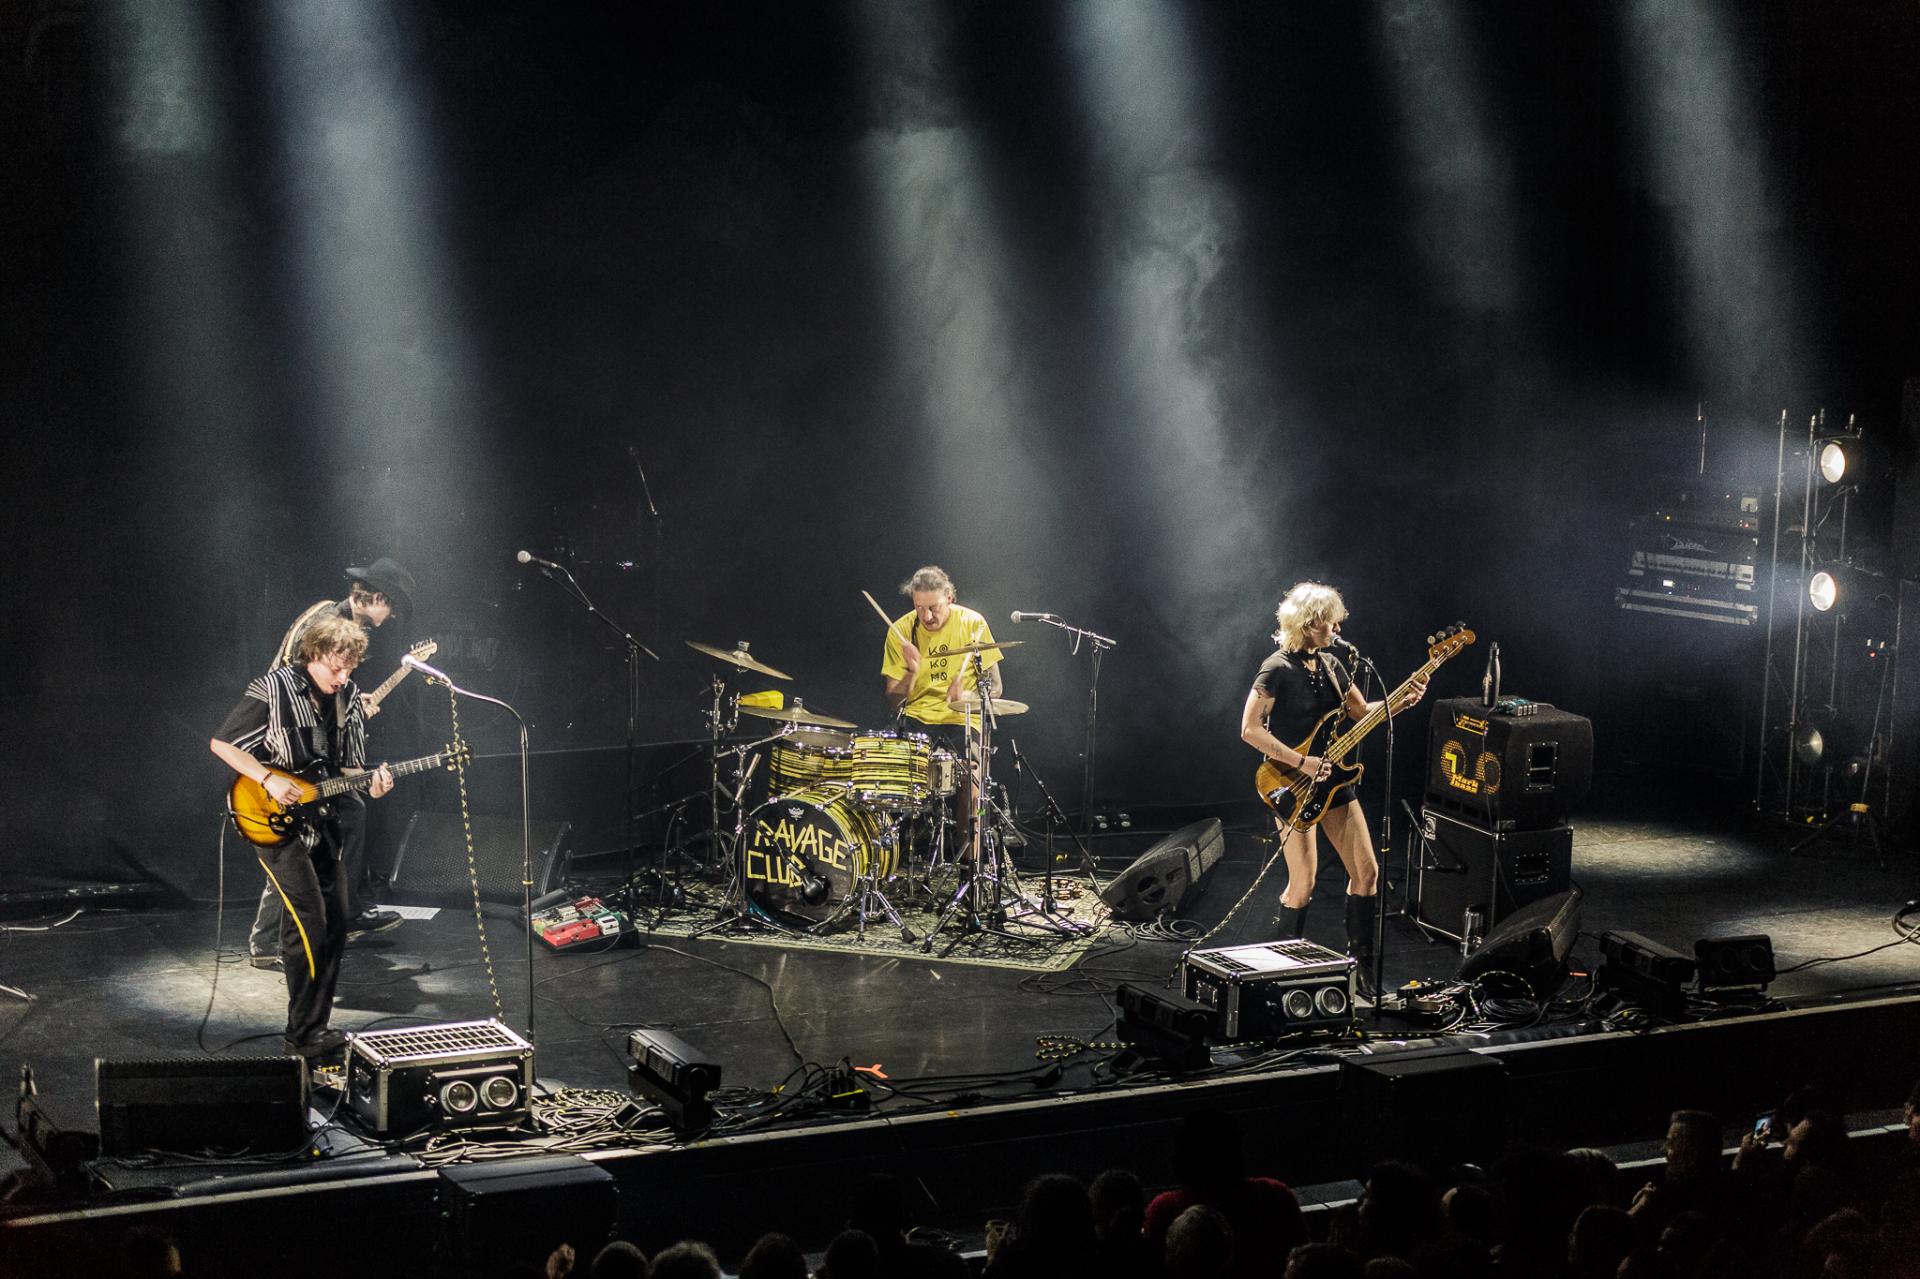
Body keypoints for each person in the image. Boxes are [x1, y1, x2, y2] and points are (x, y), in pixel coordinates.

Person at [211, 614, 394, 1058]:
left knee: (337, 920)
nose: (343, 677)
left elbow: (348, 769)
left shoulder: (347, 698)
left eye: (350, 669)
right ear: (314, 654)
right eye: (336, 668)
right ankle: (302, 1033)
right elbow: (223, 743)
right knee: (307, 919)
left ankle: (315, 1027)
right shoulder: (273, 688)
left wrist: (371, 784)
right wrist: (268, 778)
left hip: (323, 819)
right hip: (270, 818)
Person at [1240, 582, 1425, 992]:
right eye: (1330, 622)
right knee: (1303, 884)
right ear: (1308, 624)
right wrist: (1301, 762)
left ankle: (1363, 974)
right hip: (1290, 782)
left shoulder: (1332, 665)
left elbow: (1362, 713)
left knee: (1367, 873)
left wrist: (1401, 701)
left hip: (1334, 780)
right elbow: (1249, 730)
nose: (1337, 628)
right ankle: (1281, 974)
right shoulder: (1276, 668)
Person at [249, 556, 417, 967]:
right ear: (377, 597)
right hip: (290, 744)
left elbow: (333, 693)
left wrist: (353, 706)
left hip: (314, 741)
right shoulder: (326, 621)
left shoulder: (349, 627)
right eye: (392, 606)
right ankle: (266, 942)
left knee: (351, 813)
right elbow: (293, 684)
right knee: (297, 835)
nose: (392, 616)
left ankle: (348, 912)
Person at [880, 566, 1004, 846]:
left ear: (949, 597)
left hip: (961, 719)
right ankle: (896, 854)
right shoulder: (900, 630)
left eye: (933, 608)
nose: (926, 617)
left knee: (972, 779)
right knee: (884, 770)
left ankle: (968, 862)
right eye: (919, 608)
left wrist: (967, 697)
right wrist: (911, 673)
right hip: (917, 718)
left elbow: (996, 688)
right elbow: (894, 700)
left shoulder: (972, 623)